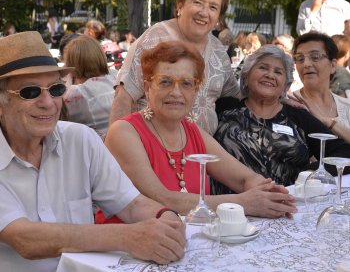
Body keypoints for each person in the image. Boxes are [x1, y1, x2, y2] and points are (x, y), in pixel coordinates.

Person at [0, 32, 185, 272]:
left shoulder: (81, 140)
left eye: (56, 89)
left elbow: (131, 204)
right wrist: (127, 237)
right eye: (30, 92)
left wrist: (166, 218)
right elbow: (25, 238)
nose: (48, 102)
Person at [96, 41, 296, 226]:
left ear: (195, 90)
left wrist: (270, 192)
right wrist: (241, 202)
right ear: (147, 88)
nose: (176, 92)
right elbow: (161, 198)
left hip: (186, 241)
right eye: (165, 82)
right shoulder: (124, 132)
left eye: (186, 83)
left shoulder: (192, 131)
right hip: (127, 251)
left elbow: (243, 178)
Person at [109, 0, 240, 135]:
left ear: (218, 17)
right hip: (150, 148)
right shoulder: (156, 38)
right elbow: (124, 96)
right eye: (197, 2)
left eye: (213, 7)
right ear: (180, 6)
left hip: (200, 152)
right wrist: (118, 149)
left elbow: (235, 95)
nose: (204, 12)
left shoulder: (219, 51)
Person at [211, 45, 350, 193]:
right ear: (246, 76)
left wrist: (312, 173)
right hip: (230, 207)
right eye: (263, 68)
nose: (270, 75)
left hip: (285, 206)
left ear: (286, 86)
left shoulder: (298, 116)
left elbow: (344, 152)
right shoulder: (224, 108)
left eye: (278, 72)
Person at [291, 32, 350, 144]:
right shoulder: (290, 104)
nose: (306, 64)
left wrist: (329, 123)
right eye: (300, 59)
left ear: (333, 65)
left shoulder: (347, 106)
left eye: (315, 57)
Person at [63, 35, 119, 139]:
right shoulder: (115, 77)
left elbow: (59, 120)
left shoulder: (78, 92)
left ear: (72, 64)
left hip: (96, 149)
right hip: (120, 142)